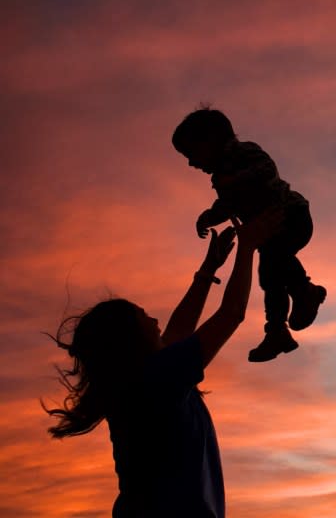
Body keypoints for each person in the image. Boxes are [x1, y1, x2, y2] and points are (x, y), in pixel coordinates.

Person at [44, 210, 282, 517]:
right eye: (145, 317)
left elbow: (179, 331)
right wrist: (248, 247)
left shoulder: (143, 381)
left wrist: (209, 269)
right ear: (130, 338)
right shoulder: (156, 379)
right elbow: (231, 313)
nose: (155, 320)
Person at [172, 106, 326, 362]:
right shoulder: (221, 177)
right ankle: (277, 330)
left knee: (275, 260)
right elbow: (227, 204)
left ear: (210, 141)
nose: (191, 163)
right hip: (268, 233)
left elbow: (266, 170)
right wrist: (210, 216)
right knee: (269, 277)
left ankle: (305, 292)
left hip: (291, 217)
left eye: (192, 153)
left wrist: (236, 181)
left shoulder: (245, 152)